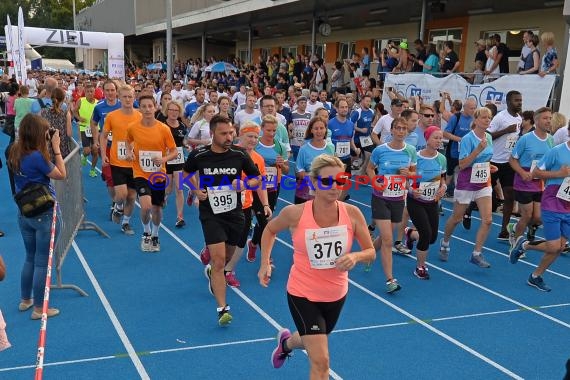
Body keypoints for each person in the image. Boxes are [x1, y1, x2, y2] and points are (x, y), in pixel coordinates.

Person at [258, 154, 375, 378]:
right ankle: (289, 345)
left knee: (311, 337)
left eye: (340, 180)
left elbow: (370, 252)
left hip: (336, 294)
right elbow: (270, 230)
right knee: (321, 362)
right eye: (327, 181)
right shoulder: (295, 213)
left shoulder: (352, 213)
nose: (335, 186)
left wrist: (356, 257)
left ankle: (286, 344)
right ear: (313, 183)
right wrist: (265, 262)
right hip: (303, 293)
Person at [183, 115, 260, 326]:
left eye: (231, 133)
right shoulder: (200, 155)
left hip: (234, 214)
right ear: (212, 133)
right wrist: (195, 189)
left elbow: (257, 178)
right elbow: (186, 173)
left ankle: (212, 271)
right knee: (218, 261)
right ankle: (222, 309)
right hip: (210, 214)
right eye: (223, 133)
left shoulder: (239, 154)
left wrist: (245, 185)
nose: (229, 137)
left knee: (225, 258)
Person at [8, 114, 66, 320]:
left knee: (30, 257)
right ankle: (40, 308)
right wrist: (57, 148)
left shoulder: (15, 151)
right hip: (44, 212)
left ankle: (26, 299)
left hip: (24, 212)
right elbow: (61, 174)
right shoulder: (37, 157)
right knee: (43, 262)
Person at [440, 107, 497, 268]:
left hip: (483, 182)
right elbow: (462, 164)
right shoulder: (467, 139)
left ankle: (476, 254)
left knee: (488, 220)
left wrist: (489, 166)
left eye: (489, 118)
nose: (487, 120)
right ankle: (445, 243)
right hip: (466, 183)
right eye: (484, 117)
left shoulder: (489, 137)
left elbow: (486, 159)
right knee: (457, 218)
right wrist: (478, 151)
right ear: (476, 120)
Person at [367, 117, 417, 292]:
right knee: (388, 239)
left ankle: (369, 254)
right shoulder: (380, 150)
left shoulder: (410, 150)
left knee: (385, 235)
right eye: (398, 128)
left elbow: (414, 172)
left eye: (404, 128)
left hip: (398, 198)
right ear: (392, 130)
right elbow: (370, 168)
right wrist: (375, 182)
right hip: (380, 197)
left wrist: (408, 174)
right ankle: (390, 280)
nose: (401, 131)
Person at [126, 96, 177, 252]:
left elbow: (174, 152)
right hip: (140, 172)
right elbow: (128, 141)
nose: (147, 109)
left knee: (157, 208)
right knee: (146, 206)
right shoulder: (133, 127)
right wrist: (129, 152)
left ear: (155, 108)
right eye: (144, 106)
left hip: (158, 174)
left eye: (150, 106)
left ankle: (155, 235)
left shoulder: (164, 129)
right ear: (139, 109)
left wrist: (163, 158)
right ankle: (146, 232)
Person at [223, 122, 271, 286]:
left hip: (245, 205)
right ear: (240, 136)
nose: (253, 140)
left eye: (256, 137)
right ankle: (211, 251)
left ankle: (228, 270)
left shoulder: (259, 159)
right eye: (249, 136)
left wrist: (265, 204)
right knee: (222, 237)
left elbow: (261, 184)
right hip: (223, 203)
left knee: (241, 241)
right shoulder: (228, 153)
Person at [404, 126, 447, 279]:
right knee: (426, 234)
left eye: (440, 138)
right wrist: (410, 190)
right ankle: (420, 267)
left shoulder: (441, 158)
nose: (439, 141)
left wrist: (444, 188)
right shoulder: (415, 157)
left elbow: (443, 179)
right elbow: (405, 179)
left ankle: (410, 233)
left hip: (432, 202)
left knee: (432, 238)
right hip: (415, 201)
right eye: (435, 138)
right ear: (427, 139)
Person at [100, 85, 142, 235]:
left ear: (134, 98)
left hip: (135, 163)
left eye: (130, 96)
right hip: (117, 161)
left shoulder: (140, 116)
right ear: (119, 97)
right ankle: (118, 206)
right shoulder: (112, 116)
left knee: (131, 196)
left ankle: (126, 223)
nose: (127, 99)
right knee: (122, 194)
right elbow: (103, 136)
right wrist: (103, 153)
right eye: (124, 97)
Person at [249, 115, 290, 262]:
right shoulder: (255, 145)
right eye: (268, 130)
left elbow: (286, 170)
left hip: (273, 187)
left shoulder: (279, 146)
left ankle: (253, 243)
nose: (271, 133)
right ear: (262, 129)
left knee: (265, 218)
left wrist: (282, 164)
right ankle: (267, 258)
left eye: (274, 130)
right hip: (256, 187)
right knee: (264, 221)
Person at [294, 117, 335, 204]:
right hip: (305, 192)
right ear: (311, 130)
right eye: (316, 128)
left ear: (325, 130)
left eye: (321, 128)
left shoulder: (330, 148)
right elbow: (299, 171)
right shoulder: (304, 149)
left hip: (325, 192)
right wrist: (316, 179)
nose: (319, 131)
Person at [163, 101, 188, 228]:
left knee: (179, 188)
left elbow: (182, 140)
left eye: (176, 111)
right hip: (166, 159)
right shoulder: (162, 125)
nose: (173, 113)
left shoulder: (182, 126)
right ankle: (165, 197)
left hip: (178, 159)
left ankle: (179, 217)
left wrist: (186, 145)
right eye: (171, 110)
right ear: (167, 111)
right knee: (168, 188)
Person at [74, 83, 98, 177]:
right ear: (85, 92)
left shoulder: (97, 103)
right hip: (85, 128)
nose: (89, 93)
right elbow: (74, 111)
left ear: (94, 92)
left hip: (95, 129)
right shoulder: (81, 101)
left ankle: (92, 170)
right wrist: (79, 118)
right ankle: (84, 156)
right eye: (87, 91)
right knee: (87, 151)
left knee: (95, 151)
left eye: (91, 91)